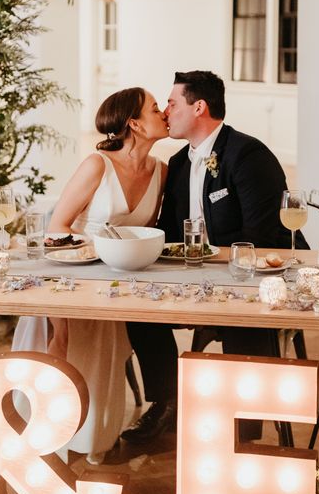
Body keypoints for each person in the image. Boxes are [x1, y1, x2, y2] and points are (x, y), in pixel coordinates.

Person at [123, 69, 306, 445]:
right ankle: (168, 401)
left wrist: (206, 257)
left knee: (244, 314)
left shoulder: (248, 155)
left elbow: (263, 239)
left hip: (253, 279)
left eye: (172, 104)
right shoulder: (178, 163)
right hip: (196, 275)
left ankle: (243, 426)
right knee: (137, 304)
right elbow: (171, 234)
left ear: (199, 107)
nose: (166, 112)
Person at [11, 87, 169, 463]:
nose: (163, 113)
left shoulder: (161, 171)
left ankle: (92, 433)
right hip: (70, 277)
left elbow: (144, 233)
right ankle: (50, 431)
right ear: (134, 123)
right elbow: (57, 227)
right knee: (66, 346)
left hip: (115, 285)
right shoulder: (97, 165)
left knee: (107, 350)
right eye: (155, 108)